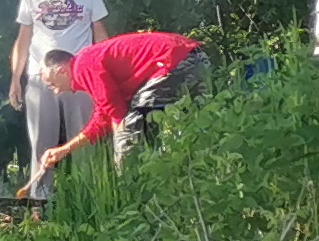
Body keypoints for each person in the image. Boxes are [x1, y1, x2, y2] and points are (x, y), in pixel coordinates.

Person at [27, 28, 209, 189]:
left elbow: (117, 114)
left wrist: (120, 153)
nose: (56, 92)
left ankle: (129, 187)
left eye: (52, 85)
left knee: (133, 122)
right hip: (196, 58)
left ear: (61, 70)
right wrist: (64, 150)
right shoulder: (89, 66)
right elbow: (103, 117)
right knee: (196, 124)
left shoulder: (83, 65)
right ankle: (192, 178)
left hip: (176, 61)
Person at [7, 0, 109, 189]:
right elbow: (23, 38)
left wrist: (103, 73)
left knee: (84, 139)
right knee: (41, 143)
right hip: (40, 76)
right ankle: (40, 200)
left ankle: (88, 197)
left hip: (79, 76)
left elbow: (99, 34)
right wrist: (16, 79)